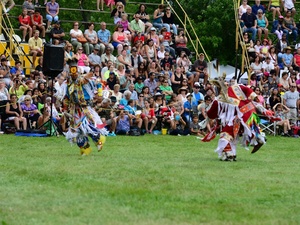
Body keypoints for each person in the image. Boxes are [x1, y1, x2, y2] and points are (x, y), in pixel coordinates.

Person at [205, 75, 272, 161]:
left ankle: (229, 154)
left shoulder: (218, 100)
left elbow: (211, 114)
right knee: (242, 131)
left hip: (238, 118)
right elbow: (248, 90)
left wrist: (208, 113)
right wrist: (254, 96)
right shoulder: (237, 87)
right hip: (250, 112)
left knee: (226, 134)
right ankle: (257, 137)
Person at [63, 59, 107, 156]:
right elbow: (66, 97)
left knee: (88, 127)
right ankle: (85, 149)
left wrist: (99, 93)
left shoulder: (84, 79)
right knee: (77, 131)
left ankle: (99, 142)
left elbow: (98, 81)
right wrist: (65, 109)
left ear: (78, 71)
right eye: (71, 71)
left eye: (75, 71)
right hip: (74, 110)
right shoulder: (68, 83)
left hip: (85, 108)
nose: (73, 74)